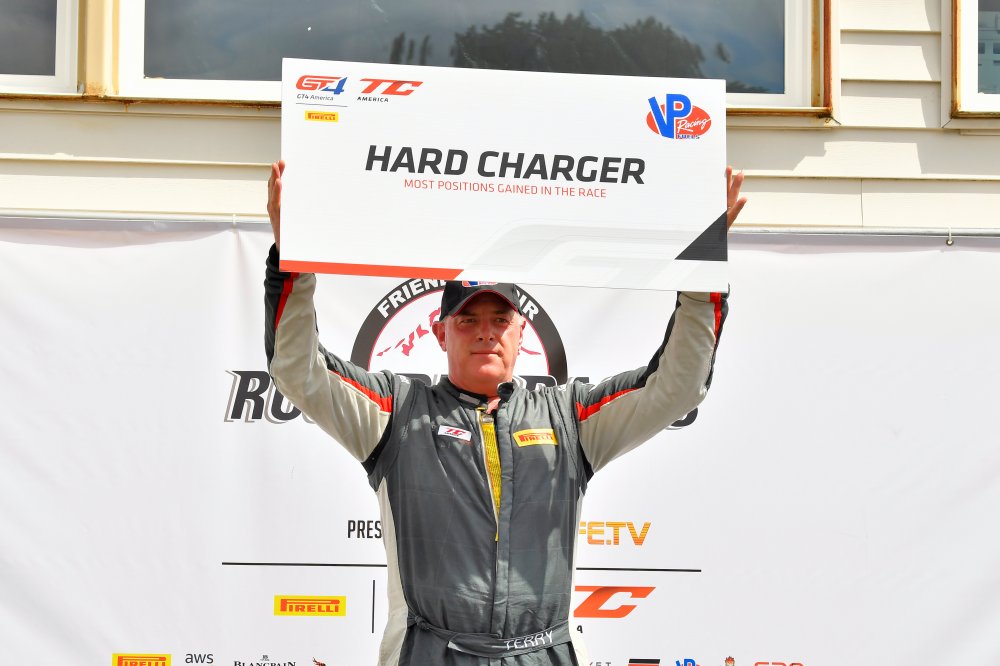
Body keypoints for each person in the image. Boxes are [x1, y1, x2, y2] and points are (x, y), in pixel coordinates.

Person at [264, 160, 746, 665]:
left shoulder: (569, 417)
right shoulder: (398, 414)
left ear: (520, 333)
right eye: (467, 320)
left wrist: (701, 272)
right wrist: (293, 260)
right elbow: (299, 370)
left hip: (542, 653)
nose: (485, 332)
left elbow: (676, 388)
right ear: (440, 333)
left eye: (499, 319)